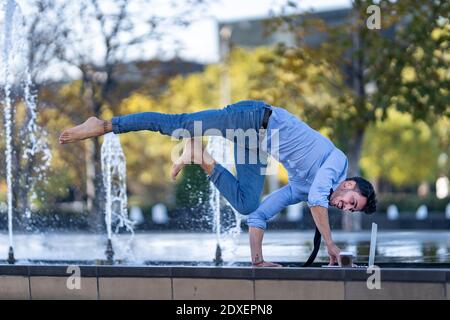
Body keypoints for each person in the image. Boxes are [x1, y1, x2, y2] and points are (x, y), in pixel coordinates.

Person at [59, 100, 376, 267]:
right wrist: (331, 245)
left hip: (255, 144)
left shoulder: (308, 189)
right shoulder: (337, 164)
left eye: (352, 210)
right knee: (179, 124)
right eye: (352, 202)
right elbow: (319, 200)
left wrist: (258, 261)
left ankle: (200, 155)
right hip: (252, 118)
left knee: (248, 202)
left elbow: (259, 216)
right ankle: (103, 125)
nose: (345, 207)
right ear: (349, 185)